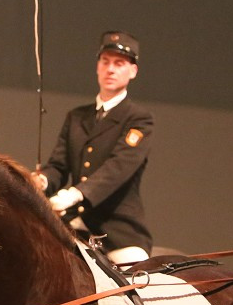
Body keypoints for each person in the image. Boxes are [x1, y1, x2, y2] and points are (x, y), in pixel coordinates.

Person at [32, 31, 154, 265]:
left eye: (119, 64)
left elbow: (118, 168)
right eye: (105, 62)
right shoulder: (77, 117)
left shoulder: (139, 119)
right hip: (72, 225)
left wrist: (74, 195)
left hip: (117, 231)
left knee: (137, 283)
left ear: (133, 71)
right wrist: (42, 181)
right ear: (97, 66)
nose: (110, 69)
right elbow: (58, 166)